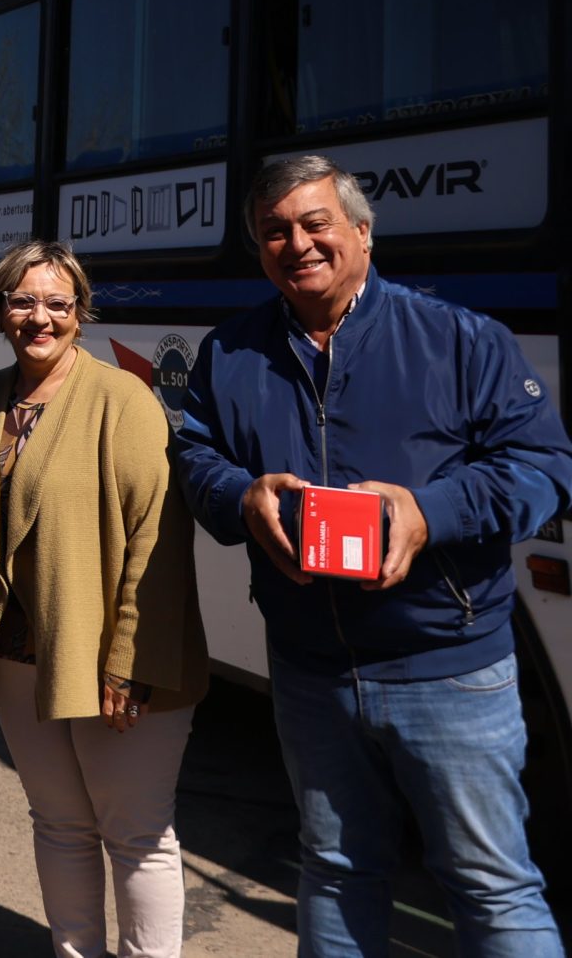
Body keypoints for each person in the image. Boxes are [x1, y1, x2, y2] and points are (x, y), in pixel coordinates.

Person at [172, 155, 572, 958]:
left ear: (361, 231)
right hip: (310, 670)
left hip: (448, 668)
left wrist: (429, 511)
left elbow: (545, 470)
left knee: (491, 884)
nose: (297, 244)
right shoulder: (231, 352)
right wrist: (239, 496)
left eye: (315, 223)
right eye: (274, 231)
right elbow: (193, 455)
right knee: (335, 870)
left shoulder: (460, 339)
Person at [0, 240, 206, 958]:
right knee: (59, 823)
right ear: (0, 310)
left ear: (80, 311)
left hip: (110, 663)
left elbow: (156, 537)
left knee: (137, 834)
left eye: (57, 303)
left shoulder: (123, 398)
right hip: (20, 657)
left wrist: (129, 661)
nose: (39, 317)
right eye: (22, 301)